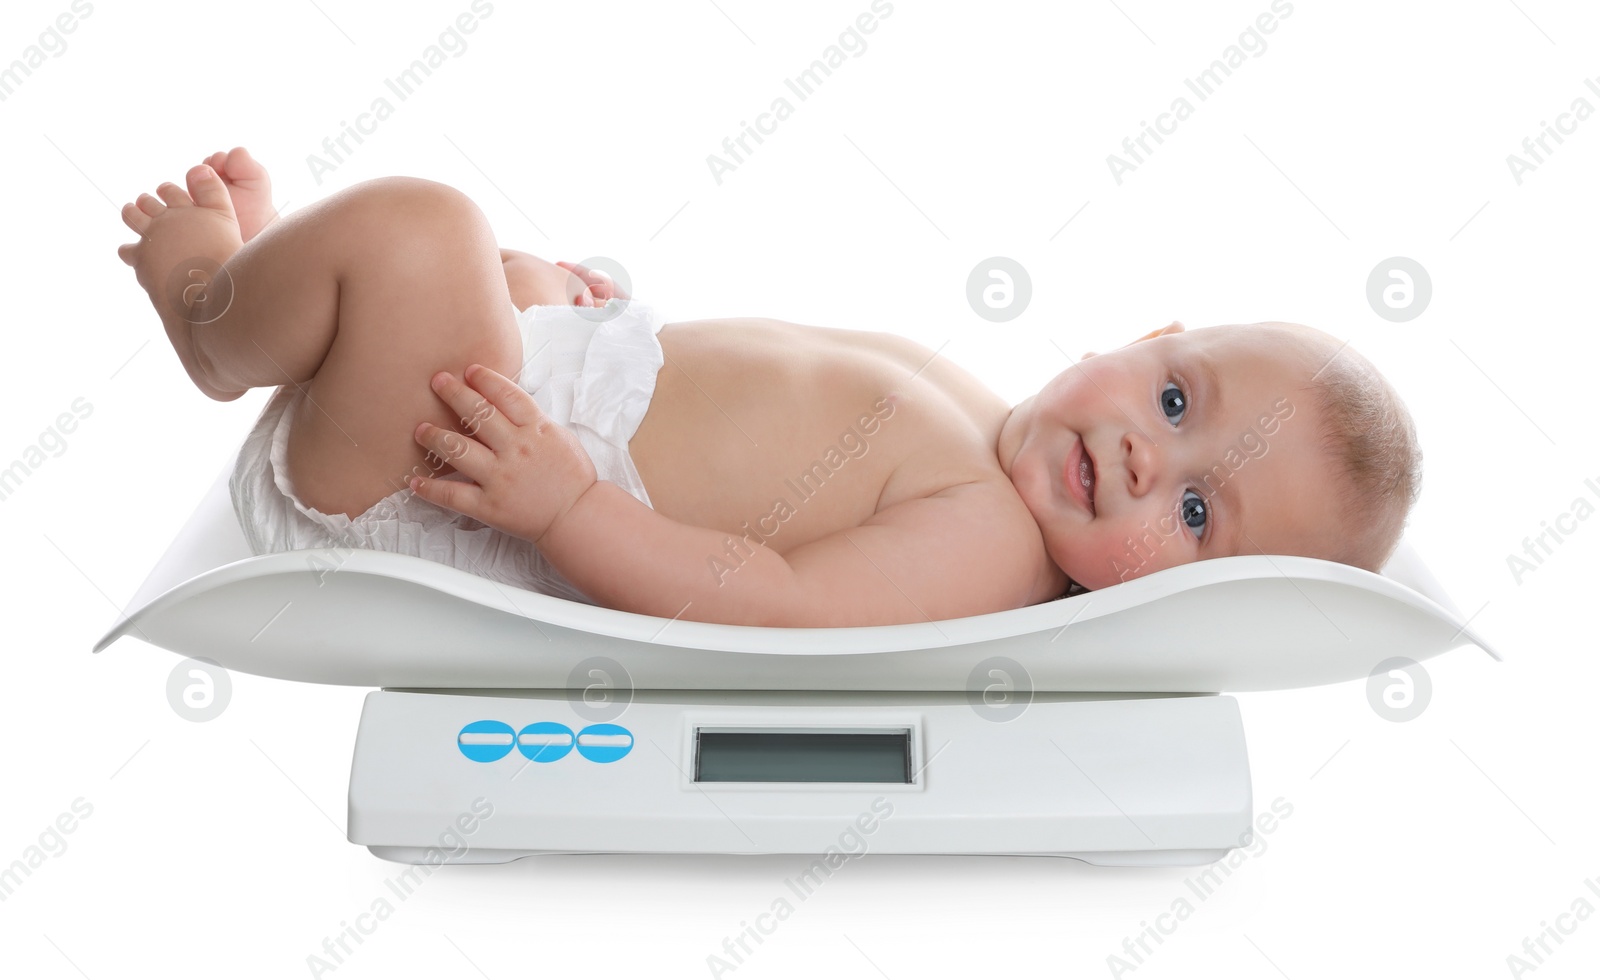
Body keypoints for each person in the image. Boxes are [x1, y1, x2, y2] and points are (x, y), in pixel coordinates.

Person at [116, 148, 1421, 628]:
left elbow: (773, 599)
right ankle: (279, 299)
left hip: (420, 486)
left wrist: (566, 505)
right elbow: (726, 390)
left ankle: (208, 312)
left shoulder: (987, 545)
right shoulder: (975, 413)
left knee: (419, 228)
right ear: (1147, 336)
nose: (1150, 459)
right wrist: (575, 318)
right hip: (497, 404)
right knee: (455, 253)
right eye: (1179, 404)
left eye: (1196, 518)